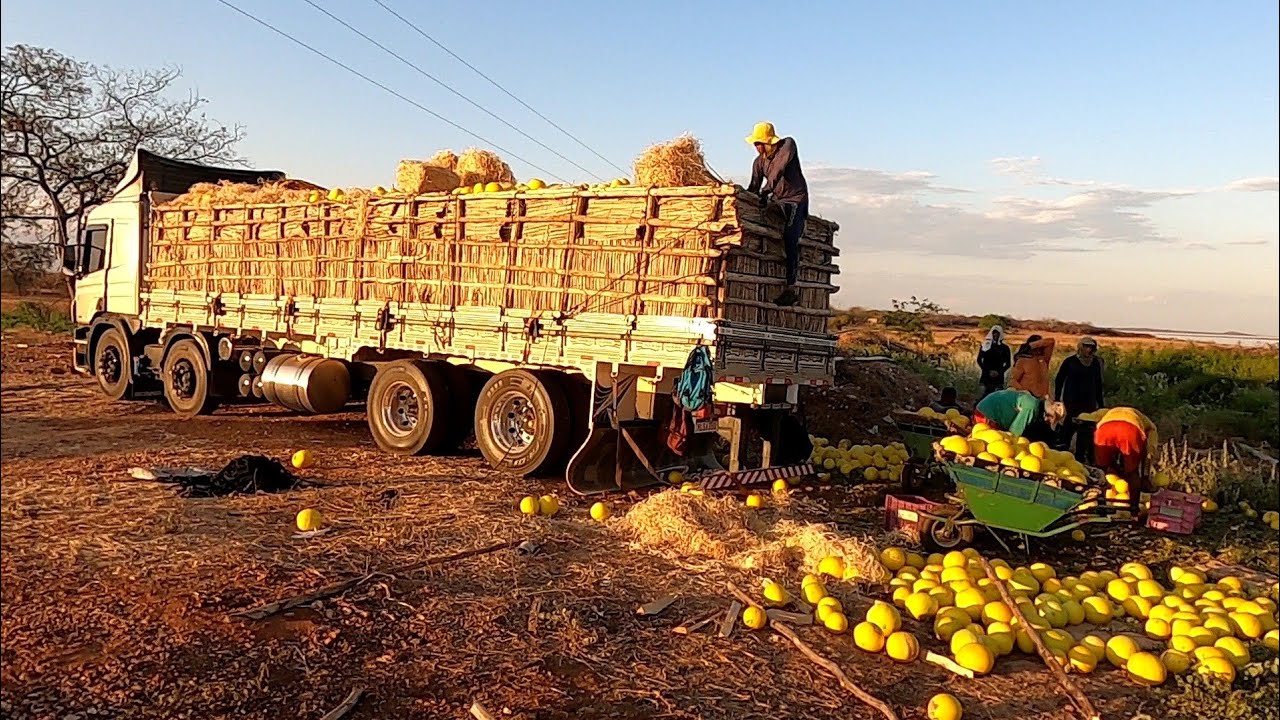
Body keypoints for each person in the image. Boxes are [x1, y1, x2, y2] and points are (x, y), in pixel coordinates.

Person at [745, 122, 808, 307]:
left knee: (790, 237)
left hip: (795, 200)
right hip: (777, 201)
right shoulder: (758, 162)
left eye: (759, 143)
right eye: (755, 144)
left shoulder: (788, 145)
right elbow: (753, 187)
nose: (757, 148)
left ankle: (791, 287)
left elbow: (776, 172)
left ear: (769, 142)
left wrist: (766, 190)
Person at [1092, 406, 1158, 516]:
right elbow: (1149, 453)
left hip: (1104, 428)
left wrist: (1116, 470)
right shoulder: (1151, 427)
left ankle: (1101, 506)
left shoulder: (1110, 413)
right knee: (1133, 473)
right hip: (1129, 429)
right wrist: (1144, 477)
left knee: (1101, 470)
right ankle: (1133, 510)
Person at [1055, 336, 1105, 461]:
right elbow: (1059, 379)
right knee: (1069, 427)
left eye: (1091, 347)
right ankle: (1061, 454)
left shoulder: (1095, 363)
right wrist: (1057, 398)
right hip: (1072, 400)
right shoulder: (1070, 361)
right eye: (1086, 346)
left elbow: (1098, 383)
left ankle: (1080, 458)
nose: (1088, 349)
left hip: (1089, 402)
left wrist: (1101, 403)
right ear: (1080, 347)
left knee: (1086, 431)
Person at [974, 389, 1066, 440]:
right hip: (987, 416)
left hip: (985, 409)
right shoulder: (1032, 407)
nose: (1047, 421)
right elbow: (1014, 433)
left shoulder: (1034, 402)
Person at [1008, 334, 1056, 398]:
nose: (1039, 349)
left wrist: (1031, 345)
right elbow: (1013, 381)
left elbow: (1051, 341)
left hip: (1043, 399)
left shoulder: (1044, 359)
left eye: (1041, 345)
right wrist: (1024, 391)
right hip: (1028, 398)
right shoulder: (1022, 361)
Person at [976, 326, 1011, 399]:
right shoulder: (985, 346)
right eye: (994, 333)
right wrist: (987, 371)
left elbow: (1008, 364)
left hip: (999, 377)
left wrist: (999, 372)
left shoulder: (1005, 348)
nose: (995, 335)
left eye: (997, 333)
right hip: (986, 376)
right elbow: (979, 360)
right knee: (986, 396)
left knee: (998, 397)